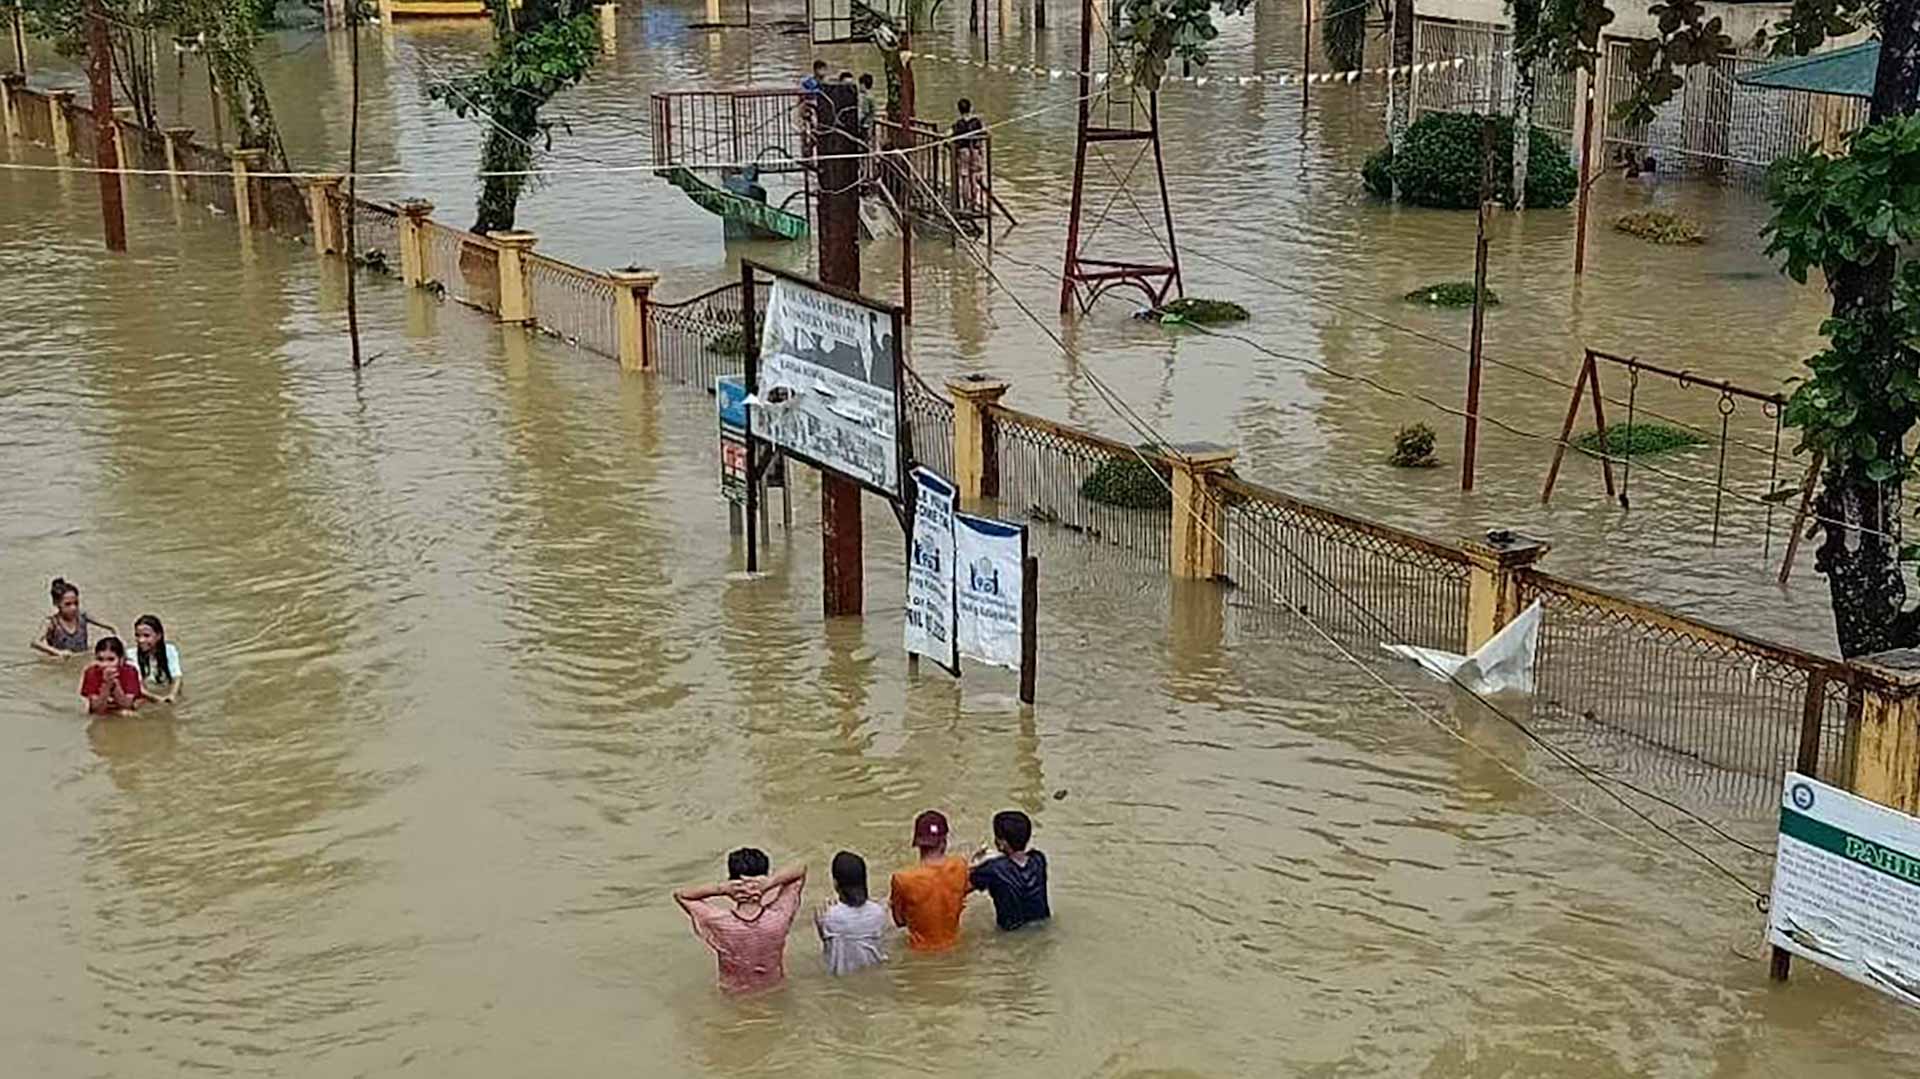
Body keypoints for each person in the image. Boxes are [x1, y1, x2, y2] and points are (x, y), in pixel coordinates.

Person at [674, 848, 808, 993]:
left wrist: (722, 888)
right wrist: (769, 883)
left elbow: (682, 895)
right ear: (764, 876)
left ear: (731, 880)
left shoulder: (720, 923)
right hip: (774, 989)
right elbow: (800, 870)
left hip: (734, 995)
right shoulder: (779, 917)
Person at [888, 810, 972, 952]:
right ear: (944, 841)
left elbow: (900, 922)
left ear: (917, 842)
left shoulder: (903, 879)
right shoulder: (961, 867)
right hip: (955, 947)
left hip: (920, 954)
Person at [970, 810, 1051, 931]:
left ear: (1002, 843)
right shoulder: (1039, 859)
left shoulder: (992, 869)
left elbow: (964, 884)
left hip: (1010, 933)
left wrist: (975, 862)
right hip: (1042, 927)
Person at [816, 850, 888, 976]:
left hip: (840, 979)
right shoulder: (879, 912)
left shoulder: (830, 917)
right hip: (874, 975)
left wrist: (820, 923)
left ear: (835, 883)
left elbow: (828, 946)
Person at [33, 577, 115, 658]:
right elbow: (35, 642)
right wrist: (58, 652)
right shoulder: (52, 622)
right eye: (68, 604)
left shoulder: (83, 616)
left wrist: (115, 635)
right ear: (56, 603)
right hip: (62, 663)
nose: (73, 608)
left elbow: (110, 627)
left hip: (82, 658)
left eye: (76, 603)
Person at [80, 636, 142, 715]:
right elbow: (96, 709)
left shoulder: (130, 671)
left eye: (111, 659)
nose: (105, 664)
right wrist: (106, 684)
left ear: (121, 659)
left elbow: (127, 705)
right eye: (100, 659)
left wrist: (114, 683)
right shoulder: (91, 672)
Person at [132, 614, 184, 705]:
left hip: (163, 690)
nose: (141, 640)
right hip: (146, 695)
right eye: (137, 635)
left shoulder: (170, 650)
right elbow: (138, 687)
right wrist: (158, 699)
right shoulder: (131, 655)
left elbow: (177, 678)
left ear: (158, 636)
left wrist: (172, 696)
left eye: (146, 636)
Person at [950, 98, 987, 213]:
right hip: (975, 152)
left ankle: (966, 204)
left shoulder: (958, 124)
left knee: (965, 178)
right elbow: (985, 132)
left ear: (959, 110)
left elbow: (948, 134)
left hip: (963, 152)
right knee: (974, 178)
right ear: (971, 108)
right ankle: (974, 202)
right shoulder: (977, 122)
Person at [857, 73, 877, 144]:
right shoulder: (871, 96)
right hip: (870, 124)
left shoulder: (866, 97)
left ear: (863, 85)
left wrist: (857, 122)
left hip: (865, 126)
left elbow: (864, 113)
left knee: (863, 144)